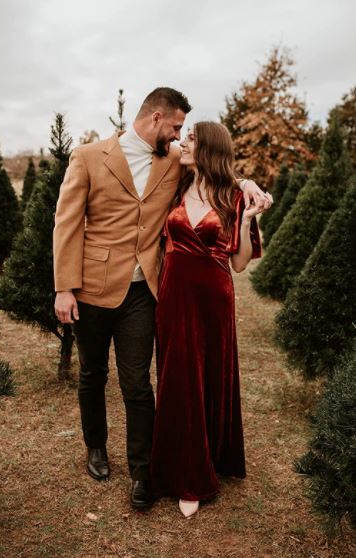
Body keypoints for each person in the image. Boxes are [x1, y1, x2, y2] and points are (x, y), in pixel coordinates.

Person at [53, 88, 272, 510]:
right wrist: (64, 287)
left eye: (183, 133)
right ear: (156, 118)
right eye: (175, 128)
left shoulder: (174, 161)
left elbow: (220, 171)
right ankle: (95, 448)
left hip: (146, 290)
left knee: (138, 382)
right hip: (92, 287)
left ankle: (142, 472)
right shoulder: (88, 156)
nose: (178, 138)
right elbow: (66, 223)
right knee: (92, 374)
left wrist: (246, 183)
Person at [151, 121, 264, 518]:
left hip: (214, 298)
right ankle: (181, 469)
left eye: (192, 138)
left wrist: (247, 219)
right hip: (174, 294)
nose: (182, 142)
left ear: (209, 147)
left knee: (210, 375)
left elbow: (239, 264)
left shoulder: (233, 197)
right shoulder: (175, 185)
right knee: (179, 378)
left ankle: (208, 462)